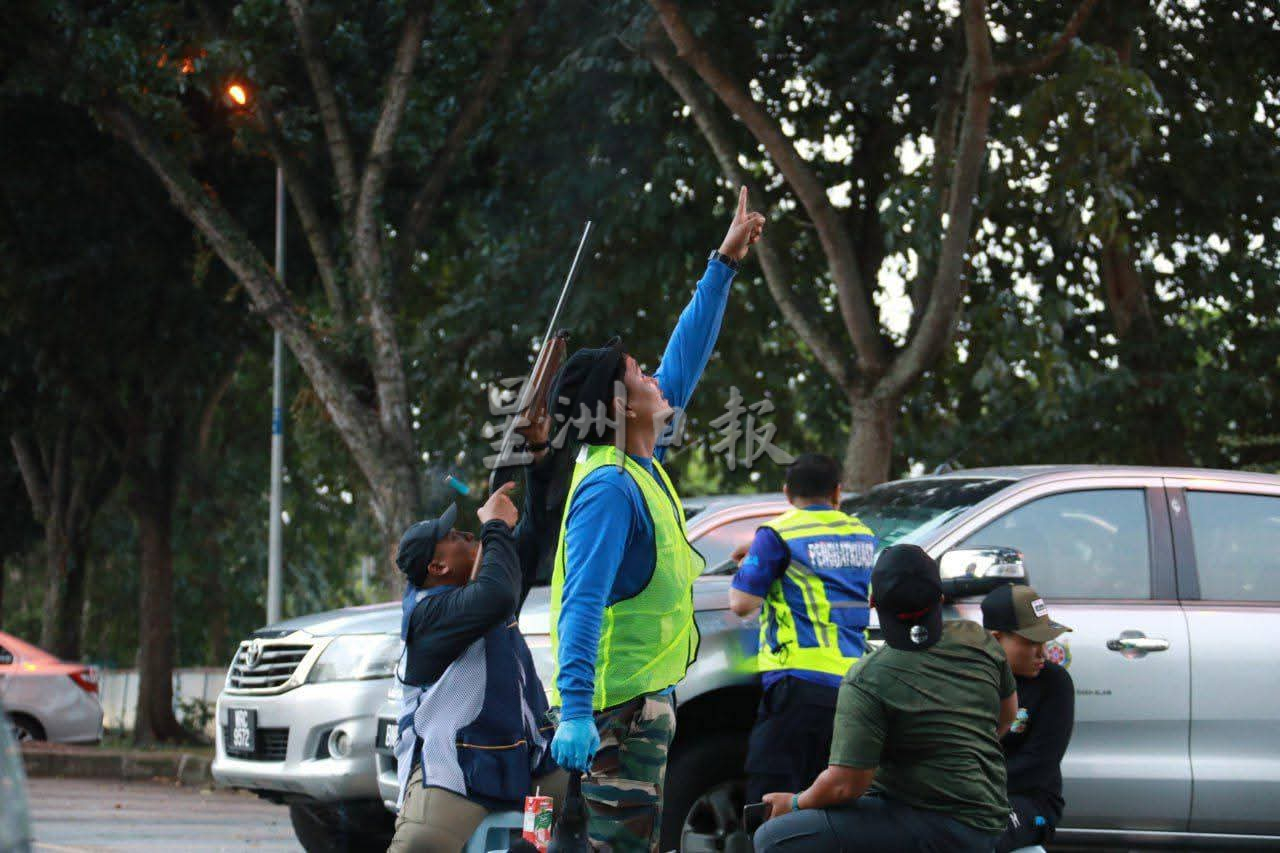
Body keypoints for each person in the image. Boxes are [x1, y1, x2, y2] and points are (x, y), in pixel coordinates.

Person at [545, 188, 765, 852]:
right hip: (613, 716)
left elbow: (686, 361)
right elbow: (582, 602)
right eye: (640, 372)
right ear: (620, 400)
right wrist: (578, 709)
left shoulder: (639, 466)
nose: (656, 378)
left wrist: (722, 265)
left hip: (635, 709)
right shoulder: (610, 486)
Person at [754, 544, 1018, 853]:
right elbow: (1007, 716)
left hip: (942, 825)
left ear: (873, 604)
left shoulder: (867, 678)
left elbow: (846, 785)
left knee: (774, 838)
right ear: (941, 598)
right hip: (989, 818)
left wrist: (795, 803)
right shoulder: (978, 638)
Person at [388, 461, 566, 853]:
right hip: (458, 772)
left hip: (528, 767)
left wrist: (538, 460)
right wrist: (496, 528)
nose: (467, 533)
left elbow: (538, 534)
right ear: (438, 566)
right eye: (453, 536)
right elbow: (497, 595)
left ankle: (538, 845)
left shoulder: (488, 587)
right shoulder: (428, 614)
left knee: (579, 808)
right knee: (421, 842)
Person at [728, 453, 875, 803]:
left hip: (798, 683)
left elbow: (741, 603)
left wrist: (753, 559)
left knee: (773, 793)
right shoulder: (863, 534)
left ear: (786, 492)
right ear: (837, 492)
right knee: (829, 799)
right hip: (855, 684)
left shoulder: (778, 533)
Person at [981, 584, 1075, 852]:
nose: (1042, 653)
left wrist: (969, 787)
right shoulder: (970, 678)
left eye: (1045, 642)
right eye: (1032, 642)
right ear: (997, 638)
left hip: (1031, 804)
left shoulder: (1054, 683)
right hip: (968, 795)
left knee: (979, 835)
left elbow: (1038, 764)